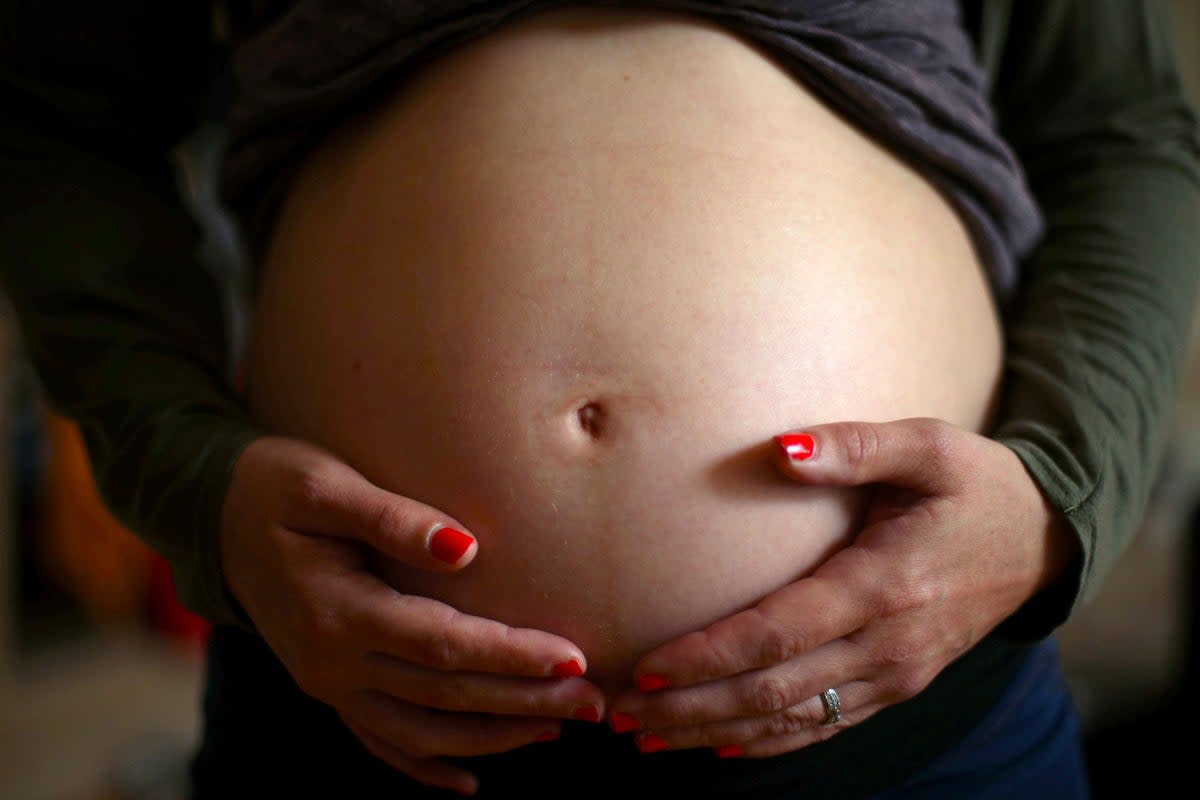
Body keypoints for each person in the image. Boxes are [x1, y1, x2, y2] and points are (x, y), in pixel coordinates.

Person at [1, 2, 1196, 798]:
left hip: (909, 726)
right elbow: (60, 122)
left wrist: (1054, 494)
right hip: (354, 717)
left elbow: (1122, 127)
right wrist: (189, 475)